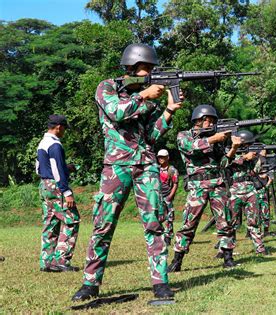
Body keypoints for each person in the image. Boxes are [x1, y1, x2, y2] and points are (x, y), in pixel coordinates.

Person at [72, 43, 182, 302]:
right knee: (103, 224)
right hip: (116, 167)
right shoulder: (107, 87)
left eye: (152, 70)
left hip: (146, 165)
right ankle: (90, 283)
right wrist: (144, 95)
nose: (150, 73)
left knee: (154, 224)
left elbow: (152, 137)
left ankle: (160, 282)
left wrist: (167, 111)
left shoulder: (149, 98)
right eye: (147, 69)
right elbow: (116, 112)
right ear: (132, 67)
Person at [167, 105, 241, 272]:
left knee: (225, 222)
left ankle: (228, 257)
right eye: (208, 120)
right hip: (197, 187)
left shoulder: (217, 141)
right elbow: (191, 147)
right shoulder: (184, 135)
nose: (211, 123)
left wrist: (233, 148)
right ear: (199, 120)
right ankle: (177, 260)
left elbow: (224, 164)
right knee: (188, 224)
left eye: (213, 121)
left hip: (218, 184)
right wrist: (214, 139)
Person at [36, 114, 80, 272]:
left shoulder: (42, 143)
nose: (64, 132)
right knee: (72, 220)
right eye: (64, 129)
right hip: (56, 187)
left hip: (44, 185)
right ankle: (61, 260)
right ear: (59, 127)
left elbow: (39, 168)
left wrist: (66, 167)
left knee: (51, 223)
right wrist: (66, 191)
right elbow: (56, 170)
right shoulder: (55, 145)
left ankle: (46, 262)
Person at [226, 130, 269, 255]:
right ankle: (225, 250)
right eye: (245, 145)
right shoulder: (230, 152)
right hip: (234, 191)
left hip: (250, 190)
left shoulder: (252, 156)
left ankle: (260, 249)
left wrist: (257, 158)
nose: (246, 148)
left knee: (254, 221)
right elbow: (226, 163)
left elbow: (254, 172)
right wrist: (244, 157)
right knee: (231, 223)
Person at [157, 149, 179, 246]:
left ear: (167, 158)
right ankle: (159, 234)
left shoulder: (172, 170)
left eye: (162, 157)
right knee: (158, 216)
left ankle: (168, 236)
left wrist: (171, 196)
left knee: (169, 217)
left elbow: (175, 184)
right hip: (157, 196)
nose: (160, 159)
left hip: (167, 196)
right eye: (159, 157)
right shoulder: (156, 169)